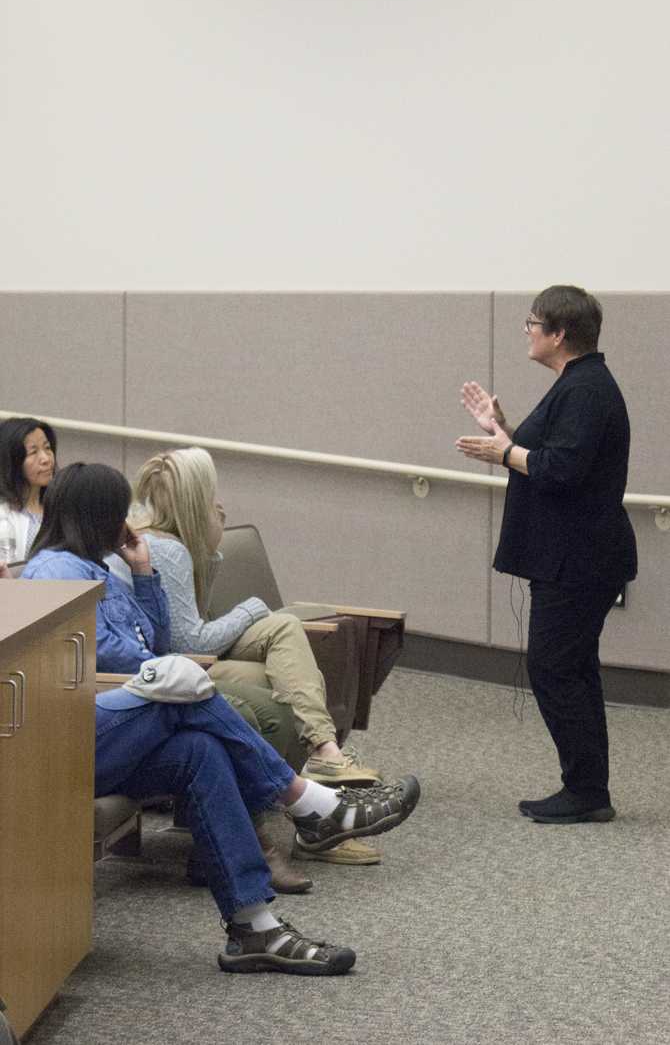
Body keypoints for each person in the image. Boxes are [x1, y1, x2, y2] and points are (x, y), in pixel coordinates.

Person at [21, 462, 421, 974]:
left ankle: (255, 927)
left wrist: (144, 574)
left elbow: (156, 640)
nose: (130, 521)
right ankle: (310, 804)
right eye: (120, 511)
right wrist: (163, 669)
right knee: (185, 690)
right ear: (99, 514)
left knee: (200, 752)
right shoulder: (55, 569)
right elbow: (108, 657)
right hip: (62, 733)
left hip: (108, 724)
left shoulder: (97, 568)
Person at [456, 285, 637, 824]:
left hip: (579, 560)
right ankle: (587, 788)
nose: (528, 332)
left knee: (555, 668)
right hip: (573, 556)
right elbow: (548, 456)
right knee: (571, 667)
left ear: (559, 334)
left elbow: (562, 469)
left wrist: (504, 450)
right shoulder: (576, 385)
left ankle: (585, 790)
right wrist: (502, 430)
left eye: (533, 323)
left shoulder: (586, 390)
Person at [125, 448, 381, 788]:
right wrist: (252, 608)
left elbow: (193, 618)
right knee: (282, 675)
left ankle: (318, 760)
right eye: (209, 495)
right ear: (193, 502)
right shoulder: (167, 551)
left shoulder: (162, 539)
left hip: (179, 660)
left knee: (284, 638)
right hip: (172, 666)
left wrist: (209, 547)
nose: (216, 503)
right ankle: (317, 760)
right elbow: (191, 642)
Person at [0, 416, 57, 560]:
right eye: (33, 452)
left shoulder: (60, 508)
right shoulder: (3, 515)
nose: (46, 459)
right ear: (12, 460)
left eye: (47, 448)